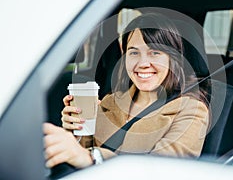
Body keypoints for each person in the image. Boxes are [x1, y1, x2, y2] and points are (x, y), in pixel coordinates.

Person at [43, 12, 210, 169]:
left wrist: (93, 158)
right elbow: (81, 158)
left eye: (155, 52)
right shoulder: (110, 101)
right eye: (134, 52)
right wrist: (75, 132)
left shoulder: (191, 111)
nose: (143, 63)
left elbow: (162, 170)